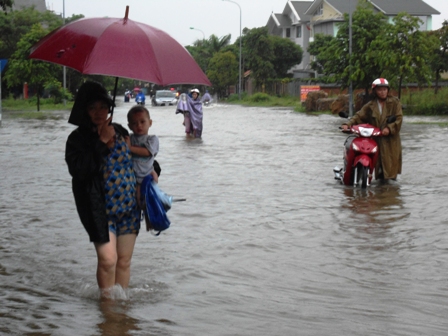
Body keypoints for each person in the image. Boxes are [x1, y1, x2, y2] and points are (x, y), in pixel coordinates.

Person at [65, 81, 141, 297]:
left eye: (103, 107)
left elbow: (138, 160)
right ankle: (107, 310)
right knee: (108, 260)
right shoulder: (77, 140)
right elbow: (80, 171)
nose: (99, 112)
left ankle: (119, 315)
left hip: (129, 207)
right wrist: (102, 142)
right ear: (84, 110)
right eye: (92, 108)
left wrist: (154, 170)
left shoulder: (120, 130)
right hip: (99, 210)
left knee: (124, 262)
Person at [341, 78, 403, 181]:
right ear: (375, 91)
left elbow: (399, 118)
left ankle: (389, 193)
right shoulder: (370, 106)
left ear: (388, 90)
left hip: (391, 142)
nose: (383, 92)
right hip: (376, 140)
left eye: (384, 89)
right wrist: (348, 124)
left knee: (390, 170)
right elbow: (359, 116)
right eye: (380, 90)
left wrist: (389, 128)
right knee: (378, 168)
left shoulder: (395, 103)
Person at [125, 105, 159, 231]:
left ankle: (150, 221)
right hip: (133, 176)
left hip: (146, 176)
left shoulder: (152, 139)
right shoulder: (130, 138)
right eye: (134, 123)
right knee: (137, 200)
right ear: (129, 126)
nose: (139, 126)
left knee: (146, 200)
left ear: (150, 123)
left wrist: (130, 148)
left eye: (142, 122)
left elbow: (147, 152)